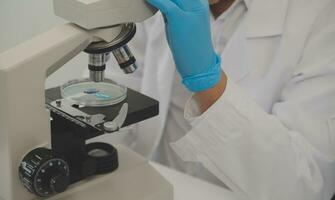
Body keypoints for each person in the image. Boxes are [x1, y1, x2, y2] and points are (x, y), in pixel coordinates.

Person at [103, 0, 335, 199]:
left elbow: (307, 185)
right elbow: (115, 97)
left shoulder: (322, 18)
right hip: (155, 185)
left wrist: (209, 85)